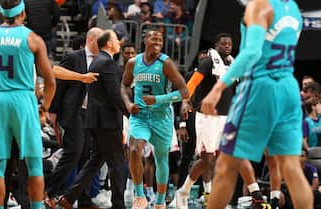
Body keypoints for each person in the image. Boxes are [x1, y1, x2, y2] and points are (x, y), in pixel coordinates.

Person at [201, 0, 313, 208]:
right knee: (291, 167)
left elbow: (252, 52)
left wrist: (218, 89)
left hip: (261, 87)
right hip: (288, 86)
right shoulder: (293, 8)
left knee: (226, 165)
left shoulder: (260, 6)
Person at [175, 33, 264, 209]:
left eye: (229, 44)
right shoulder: (208, 62)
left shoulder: (234, 65)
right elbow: (191, 84)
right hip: (207, 117)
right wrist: (185, 101)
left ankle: (257, 195)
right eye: (223, 43)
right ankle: (183, 191)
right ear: (216, 45)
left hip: (227, 117)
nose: (227, 46)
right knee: (207, 160)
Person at [0, 1, 56, 209]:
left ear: (0, 12)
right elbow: (50, 81)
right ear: (23, 12)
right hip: (23, 100)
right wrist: (44, 107)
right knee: (35, 164)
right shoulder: (32, 38)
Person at [121, 28, 189, 209]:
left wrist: (158, 99)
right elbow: (124, 86)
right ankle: (139, 195)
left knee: (161, 160)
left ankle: (160, 201)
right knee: (134, 150)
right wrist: (128, 104)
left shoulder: (166, 63)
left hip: (161, 117)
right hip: (140, 116)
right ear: (145, 40)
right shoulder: (133, 62)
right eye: (154, 38)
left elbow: (184, 92)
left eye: (160, 39)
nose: (158, 42)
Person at [58, 29, 127, 209]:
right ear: (109, 44)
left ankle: (68, 197)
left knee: (94, 161)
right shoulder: (108, 63)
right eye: (116, 40)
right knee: (118, 164)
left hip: (94, 120)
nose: (119, 42)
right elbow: (114, 94)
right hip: (108, 122)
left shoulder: (96, 61)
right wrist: (130, 112)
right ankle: (119, 205)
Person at [45, 27, 103, 209]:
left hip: (91, 113)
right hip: (73, 112)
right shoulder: (73, 57)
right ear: (91, 40)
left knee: (88, 156)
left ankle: (81, 199)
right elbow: (58, 83)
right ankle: (50, 193)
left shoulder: (103, 60)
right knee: (73, 152)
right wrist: (52, 111)